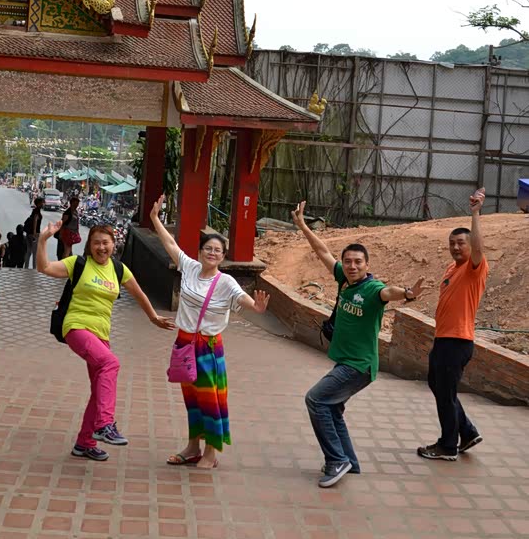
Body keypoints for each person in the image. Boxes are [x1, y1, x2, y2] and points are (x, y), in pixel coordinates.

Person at [291, 201, 425, 488]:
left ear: (367, 265)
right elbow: (322, 251)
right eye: (348, 261)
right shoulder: (344, 278)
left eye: (358, 262)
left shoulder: (372, 288)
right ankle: (349, 462)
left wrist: (408, 293)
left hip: (358, 366)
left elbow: (389, 292)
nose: (352, 266)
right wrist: (302, 226)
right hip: (347, 361)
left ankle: (336, 460)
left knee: (315, 400)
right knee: (332, 408)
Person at [149, 196, 271, 471]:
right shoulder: (190, 268)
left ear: (223, 256)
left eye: (218, 250)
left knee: (210, 400)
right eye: (208, 248)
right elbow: (170, 245)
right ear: (200, 251)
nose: (212, 253)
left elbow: (241, 298)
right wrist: (155, 218)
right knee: (192, 399)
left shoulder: (225, 282)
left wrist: (256, 307)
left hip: (208, 347)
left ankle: (211, 452)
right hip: (184, 343)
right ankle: (192, 448)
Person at [36, 220, 173, 461]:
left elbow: (139, 293)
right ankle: (104, 424)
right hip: (76, 327)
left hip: (101, 335)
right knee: (111, 364)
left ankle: (84, 443)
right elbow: (44, 267)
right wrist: (43, 239)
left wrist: (153, 317)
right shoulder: (78, 264)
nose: (101, 247)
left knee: (99, 390)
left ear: (113, 244)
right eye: (96, 243)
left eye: (105, 243)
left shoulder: (119, 270)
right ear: (90, 245)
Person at [417, 188, 489, 461]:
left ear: (469, 246)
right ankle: (467, 432)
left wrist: (475, 213)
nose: (456, 247)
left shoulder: (475, 268)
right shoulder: (452, 268)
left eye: (461, 243)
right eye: (452, 243)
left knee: (445, 393)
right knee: (438, 386)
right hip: (444, 339)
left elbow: (479, 248)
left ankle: (448, 446)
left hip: (457, 341)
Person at [23, 197, 44, 268]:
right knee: (35, 252)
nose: (43, 204)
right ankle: (34, 268)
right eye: (42, 202)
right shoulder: (37, 211)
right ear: (39, 203)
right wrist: (34, 233)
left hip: (29, 233)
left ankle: (26, 267)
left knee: (29, 251)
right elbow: (35, 221)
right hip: (34, 234)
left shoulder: (34, 211)